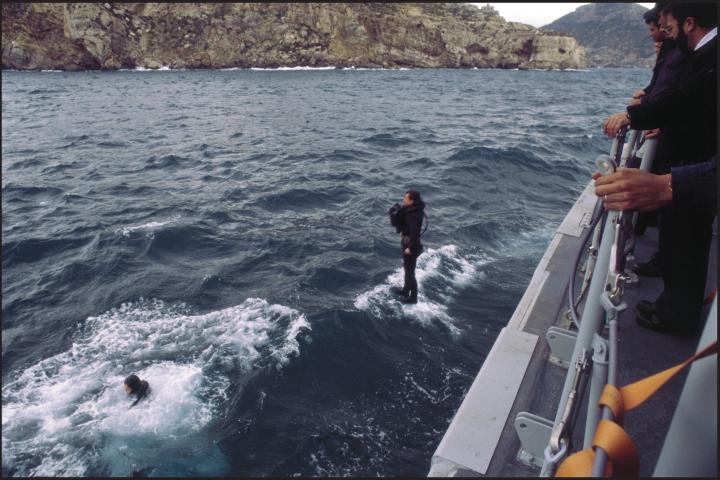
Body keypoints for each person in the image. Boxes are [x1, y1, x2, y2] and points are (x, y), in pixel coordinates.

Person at [600, 2, 717, 336]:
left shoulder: (709, 58)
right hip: (692, 161)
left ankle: (677, 316)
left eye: (669, 29)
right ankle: (673, 306)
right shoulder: (702, 55)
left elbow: (682, 100)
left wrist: (634, 116)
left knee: (687, 241)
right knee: (680, 240)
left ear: (689, 23)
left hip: (694, 161)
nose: (665, 37)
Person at [391, 190, 425, 304]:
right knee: (407, 269)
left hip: (412, 246)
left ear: (412, 201)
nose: (404, 200)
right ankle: (406, 290)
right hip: (409, 243)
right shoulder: (414, 210)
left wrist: (410, 247)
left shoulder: (413, 215)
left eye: (406, 198)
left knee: (410, 273)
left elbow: (414, 233)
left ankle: (413, 298)